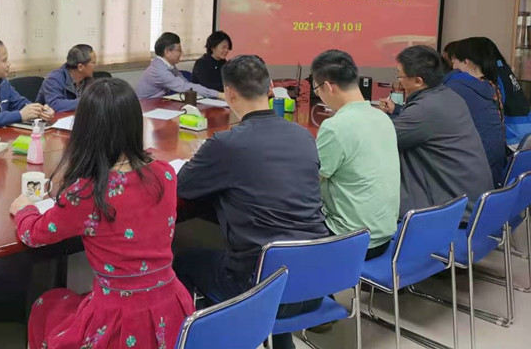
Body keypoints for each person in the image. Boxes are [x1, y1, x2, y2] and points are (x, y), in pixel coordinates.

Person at [10, 78, 193, 349]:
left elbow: (34, 235)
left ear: (84, 129)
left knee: (46, 305)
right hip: (174, 310)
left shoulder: (88, 193)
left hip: (117, 320)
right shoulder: (164, 174)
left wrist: (23, 208)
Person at [175, 55, 328, 349]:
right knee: (272, 252)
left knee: (184, 259)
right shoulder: (302, 135)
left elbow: (183, 186)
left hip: (258, 288)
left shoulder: (227, 144)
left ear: (229, 93)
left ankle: (213, 336)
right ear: (270, 88)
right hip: (315, 282)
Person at [379, 46, 492, 219]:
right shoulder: (448, 96)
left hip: (454, 211)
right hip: (470, 200)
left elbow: (377, 140)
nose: (399, 82)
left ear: (418, 81)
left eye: (400, 76)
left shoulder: (425, 108)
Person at [311, 50, 399, 259]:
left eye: (316, 89)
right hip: (383, 236)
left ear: (327, 87)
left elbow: (310, 181)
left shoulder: (335, 127)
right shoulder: (382, 118)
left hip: (350, 241)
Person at [445, 38, 507, 187]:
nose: (453, 67)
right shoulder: (493, 85)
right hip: (495, 167)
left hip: (471, 170)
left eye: (454, 62)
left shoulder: (457, 84)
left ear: (466, 62)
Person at [136, 32, 225, 100]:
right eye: (179, 50)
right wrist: (218, 94)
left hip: (158, 103)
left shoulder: (167, 65)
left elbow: (186, 84)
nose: (181, 53)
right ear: (167, 52)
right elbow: (185, 87)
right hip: (145, 107)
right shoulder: (159, 70)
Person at [36, 44, 96, 112]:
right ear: (80, 67)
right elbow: (55, 105)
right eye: (93, 63)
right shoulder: (53, 79)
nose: (95, 66)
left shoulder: (88, 79)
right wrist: (86, 102)